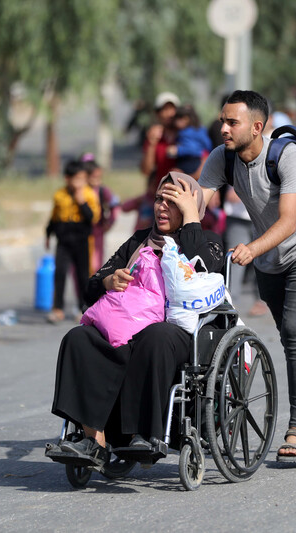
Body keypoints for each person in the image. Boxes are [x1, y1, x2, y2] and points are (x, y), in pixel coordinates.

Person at [199, 90, 296, 462]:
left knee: (294, 329)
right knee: (294, 337)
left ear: (257, 127)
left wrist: (252, 249)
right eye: (222, 120)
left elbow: (289, 221)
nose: (223, 128)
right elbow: (197, 205)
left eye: (232, 122)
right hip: (269, 258)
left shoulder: (286, 156)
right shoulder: (221, 158)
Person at [49, 173, 223, 463]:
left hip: (176, 333)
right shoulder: (140, 240)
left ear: (191, 206)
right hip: (126, 326)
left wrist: (192, 219)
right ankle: (94, 440)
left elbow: (202, 271)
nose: (161, 207)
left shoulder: (208, 240)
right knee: (78, 338)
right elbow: (94, 285)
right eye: (158, 200)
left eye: (173, 201)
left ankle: (142, 434)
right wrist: (108, 281)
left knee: (155, 335)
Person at [45, 160, 100, 324]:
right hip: (63, 241)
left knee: (83, 275)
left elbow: (93, 218)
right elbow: (54, 217)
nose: (80, 183)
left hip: (82, 240)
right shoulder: (59, 195)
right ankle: (57, 309)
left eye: (83, 179)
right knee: (60, 273)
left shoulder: (89, 194)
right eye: (77, 179)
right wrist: (48, 234)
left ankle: (83, 308)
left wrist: (81, 201)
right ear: (67, 178)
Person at [81, 154, 120, 272]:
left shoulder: (103, 191)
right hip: (82, 233)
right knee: (81, 266)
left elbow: (115, 205)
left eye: (99, 177)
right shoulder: (80, 191)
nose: (98, 181)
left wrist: (110, 222)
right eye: (94, 177)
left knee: (95, 264)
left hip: (97, 232)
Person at [167, 104, 213, 176]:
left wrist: (178, 150)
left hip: (193, 162)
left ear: (186, 119)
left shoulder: (191, 131)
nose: (175, 122)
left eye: (177, 119)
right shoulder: (183, 132)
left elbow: (195, 148)